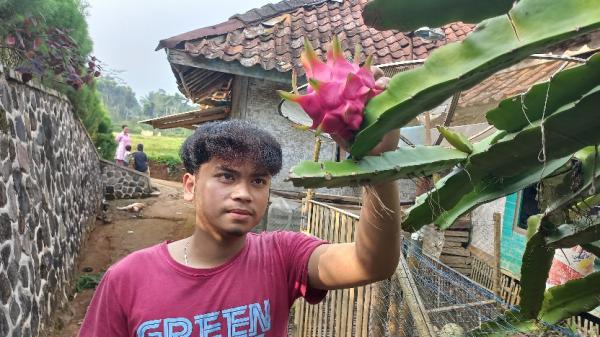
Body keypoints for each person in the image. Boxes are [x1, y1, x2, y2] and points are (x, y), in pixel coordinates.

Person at [78, 119, 400, 336]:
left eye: (258, 180)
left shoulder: (282, 256)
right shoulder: (126, 280)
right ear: (190, 186)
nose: (244, 193)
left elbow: (370, 262)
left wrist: (378, 163)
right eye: (227, 176)